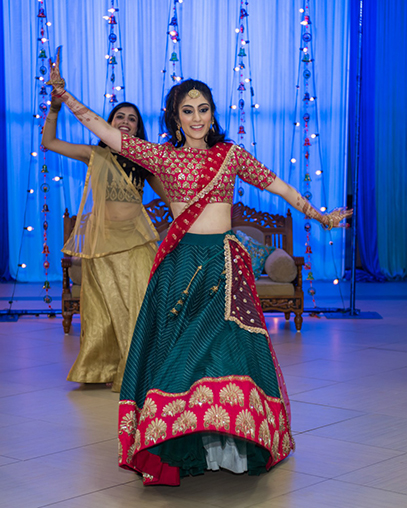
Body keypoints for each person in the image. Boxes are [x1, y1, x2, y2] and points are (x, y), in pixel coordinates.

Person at [47, 51, 352, 485]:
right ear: (175, 117)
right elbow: (102, 130)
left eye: (203, 109)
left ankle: (235, 445)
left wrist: (319, 215)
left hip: (224, 266)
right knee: (184, 358)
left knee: (233, 352)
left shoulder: (230, 155)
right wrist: (65, 98)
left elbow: (278, 184)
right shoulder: (163, 159)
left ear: (212, 114)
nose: (196, 117)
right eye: (187, 110)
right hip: (182, 266)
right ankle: (179, 442)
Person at [42, 91, 170, 393]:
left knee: (138, 308)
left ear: (138, 129)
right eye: (119, 117)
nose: (125, 122)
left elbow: (170, 197)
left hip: (137, 243)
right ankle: (103, 369)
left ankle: (138, 371)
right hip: (102, 246)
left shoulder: (144, 160)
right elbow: (49, 143)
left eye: (132, 119)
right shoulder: (95, 155)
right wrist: (55, 108)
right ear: (109, 123)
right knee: (104, 311)